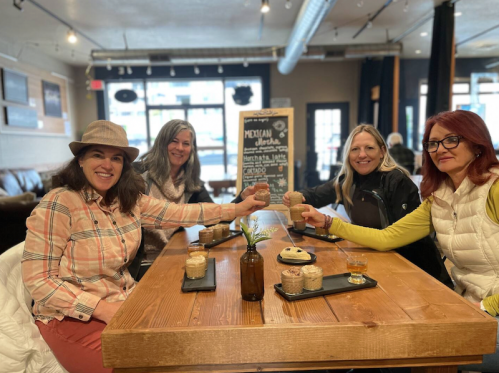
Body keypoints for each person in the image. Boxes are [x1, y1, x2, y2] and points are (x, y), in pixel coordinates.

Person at [21, 120, 265, 373]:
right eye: (98, 155)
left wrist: (237, 208)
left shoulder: (127, 199)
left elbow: (180, 213)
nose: (107, 165)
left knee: (193, 344)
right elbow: (38, 281)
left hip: (124, 303)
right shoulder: (59, 203)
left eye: (116, 158)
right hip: (70, 317)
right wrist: (103, 310)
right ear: (80, 160)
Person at [301, 110, 499, 372]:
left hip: (485, 313)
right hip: (462, 303)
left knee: (392, 349)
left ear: (476, 143)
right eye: (433, 143)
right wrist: (328, 222)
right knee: (374, 342)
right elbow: (387, 238)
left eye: (451, 140)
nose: (440, 149)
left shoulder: (494, 188)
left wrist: (486, 306)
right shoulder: (438, 198)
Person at [283, 124, 451, 286]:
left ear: (382, 151)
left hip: (416, 271)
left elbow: (400, 241)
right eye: (355, 149)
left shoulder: (396, 181)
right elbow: (316, 195)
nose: (362, 155)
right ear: (348, 154)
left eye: (369, 148)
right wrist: (297, 197)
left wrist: (329, 223)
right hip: (376, 259)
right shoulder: (348, 180)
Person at [132, 119, 260, 268]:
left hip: (171, 255)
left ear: (192, 149)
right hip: (139, 262)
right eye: (174, 141)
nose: (180, 148)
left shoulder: (191, 182)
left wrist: (241, 199)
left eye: (186, 143)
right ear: (162, 143)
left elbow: (215, 220)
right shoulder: (138, 173)